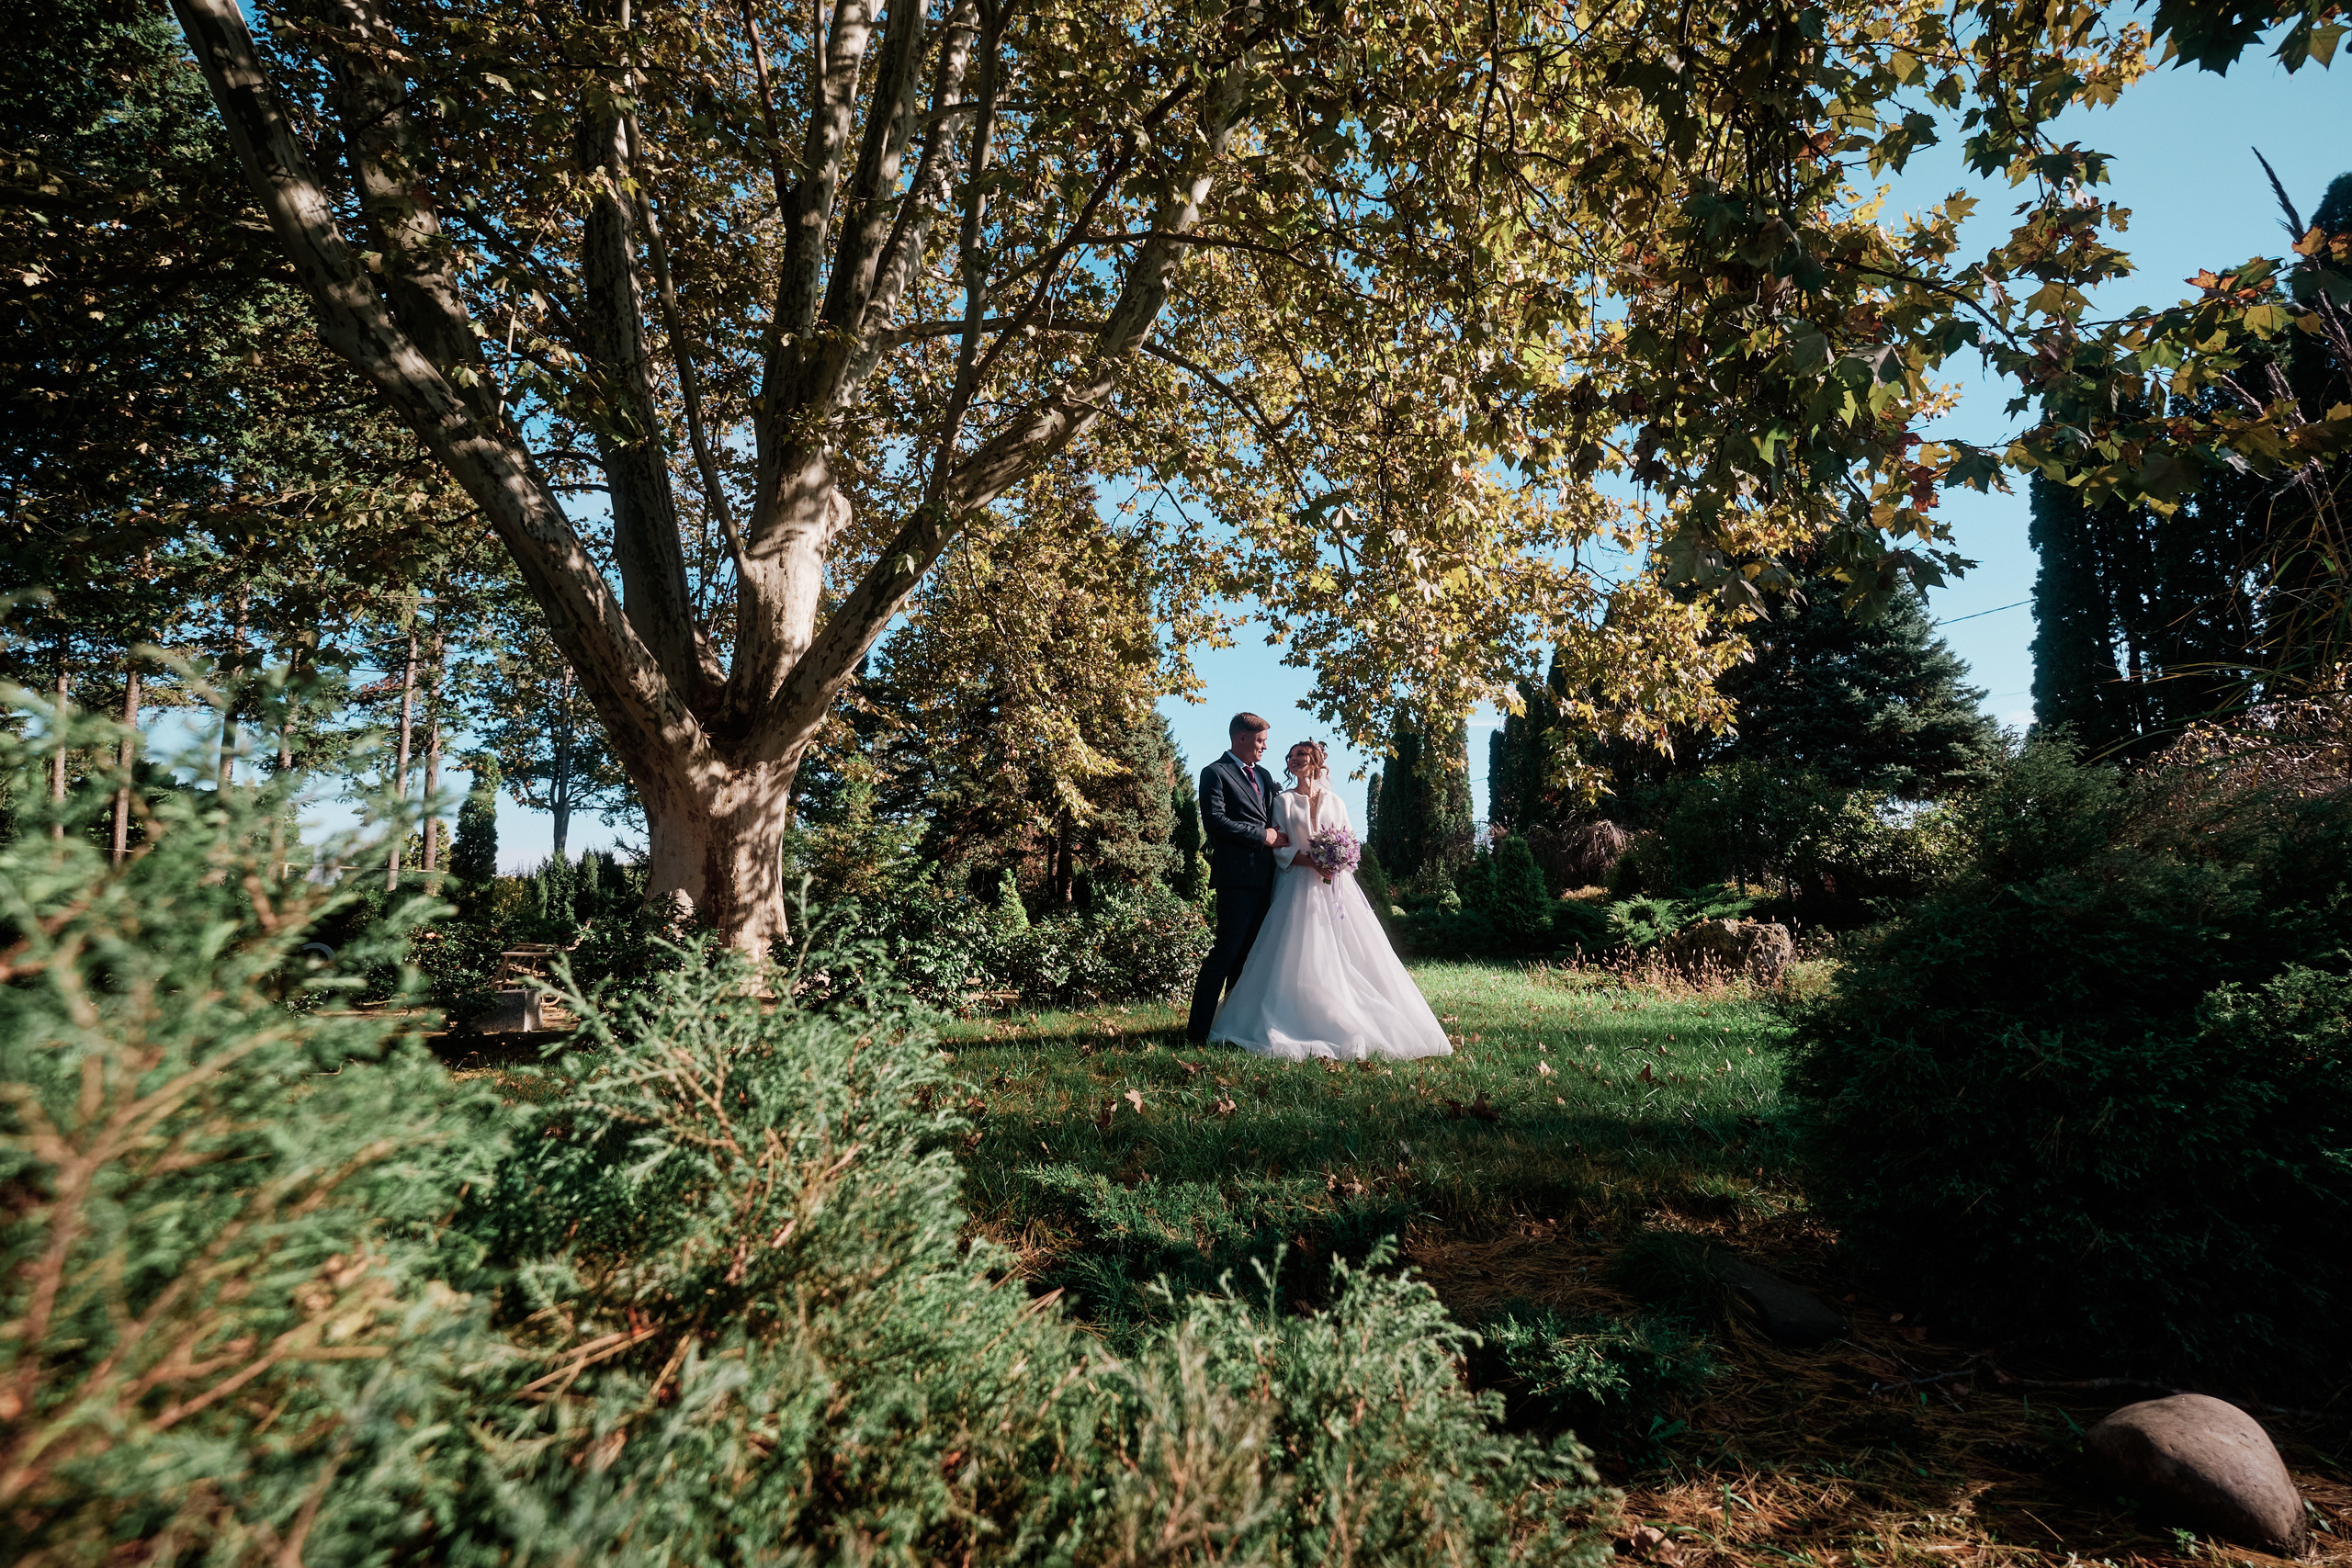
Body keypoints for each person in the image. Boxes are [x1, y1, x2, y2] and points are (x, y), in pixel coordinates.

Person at [1205, 739, 1452, 1062]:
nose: (1293, 759)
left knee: (1349, 952)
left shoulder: (1335, 802)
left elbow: (1350, 843)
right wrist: (1310, 861)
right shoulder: (1282, 801)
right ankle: (1291, 1016)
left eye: (1300, 755)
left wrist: (1338, 861)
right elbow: (1278, 845)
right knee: (1293, 952)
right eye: (1290, 755)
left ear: (1315, 761)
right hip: (1294, 887)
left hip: (1335, 889)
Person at [1185, 713, 1287, 1043]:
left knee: (1249, 958)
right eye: (1260, 741)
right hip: (1236, 879)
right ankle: (1197, 1032)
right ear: (1241, 738)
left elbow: (1276, 818)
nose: (1265, 747)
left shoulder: (1266, 775)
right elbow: (1215, 822)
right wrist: (1263, 835)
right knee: (1225, 953)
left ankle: (1230, 1027)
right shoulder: (1215, 773)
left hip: (1268, 878)